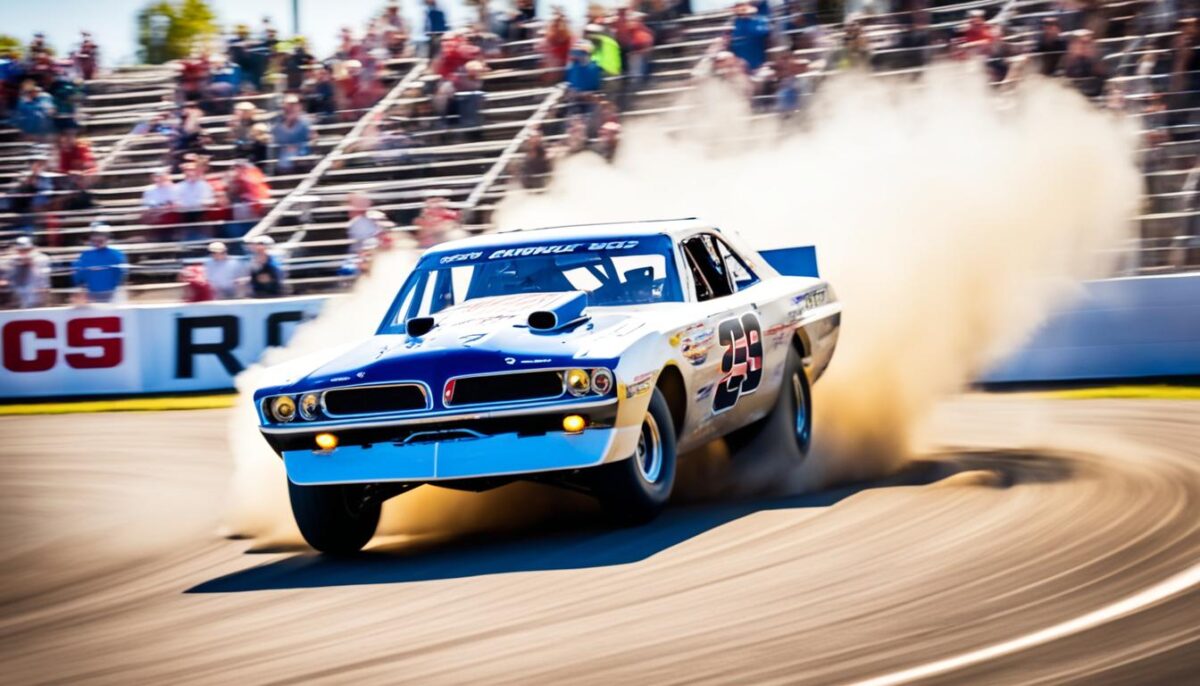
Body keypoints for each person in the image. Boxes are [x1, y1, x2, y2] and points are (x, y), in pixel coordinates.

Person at [72, 223, 127, 304]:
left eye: (101, 236)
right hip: (92, 295)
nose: (97, 240)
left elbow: (121, 275)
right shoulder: (85, 255)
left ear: (107, 238)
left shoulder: (116, 255)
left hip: (113, 295)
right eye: (95, 236)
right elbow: (79, 276)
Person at [2, 236, 52, 308]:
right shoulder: (10, 261)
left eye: (26, 250)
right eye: (20, 250)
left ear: (32, 249)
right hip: (16, 297)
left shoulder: (42, 259)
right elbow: (7, 281)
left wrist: (31, 264)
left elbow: (43, 281)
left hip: (35, 296)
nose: (24, 253)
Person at [173, 162, 215, 241]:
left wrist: (195, 204)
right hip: (185, 216)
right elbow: (176, 203)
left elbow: (210, 201)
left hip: (201, 215)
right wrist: (195, 204)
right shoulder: (178, 187)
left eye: (193, 170)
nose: (190, 172)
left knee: (205, 237)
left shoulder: (205, 185)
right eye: (188, 170)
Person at [272, 94, 313, 173]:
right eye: (288, 104)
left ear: (299, 106)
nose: (290, 107)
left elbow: (311, 139)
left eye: (294, 104)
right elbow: (276, 140)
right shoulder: (278, 124)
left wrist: (297, 146)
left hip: (301, 156)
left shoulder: (305, 122)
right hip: (283, 158)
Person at [729, 2, 771, 71]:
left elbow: (763, 32)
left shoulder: (759, 20)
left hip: (757, 60)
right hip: (741, 63)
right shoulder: (734, 24)